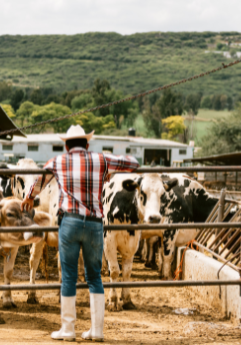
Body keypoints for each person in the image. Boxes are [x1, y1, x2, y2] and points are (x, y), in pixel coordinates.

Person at [22, 125, 139, 342]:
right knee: (95, 276)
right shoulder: (101, 159)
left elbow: (38, 181)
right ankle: (97, 331)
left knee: (68, 276)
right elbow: (133, 163)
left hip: (70, 222)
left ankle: (68, 330)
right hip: (95, 223)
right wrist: (109, 171)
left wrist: (29, 197)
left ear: (66, 145)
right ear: (87, 144)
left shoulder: (58, 161)